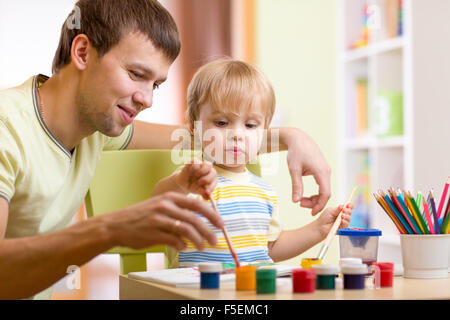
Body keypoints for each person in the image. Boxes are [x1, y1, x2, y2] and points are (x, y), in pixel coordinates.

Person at [0, 0, 332, 299]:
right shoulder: (7, 127)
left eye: (155, 84)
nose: (147, 99)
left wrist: (290, 137)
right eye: (135, 74)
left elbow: (199, 137)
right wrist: (111, 229)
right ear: (83, 52)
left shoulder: (96, 131)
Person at [152, 59, 353, 267]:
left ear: (264, 132)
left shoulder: (264, 191)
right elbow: (158, 202)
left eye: (250, 125)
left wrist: (318, 229)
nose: (237, 135)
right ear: (194, 127)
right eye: (221, 123)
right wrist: (181, 183)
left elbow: (269, 249)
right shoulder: (192, 180)